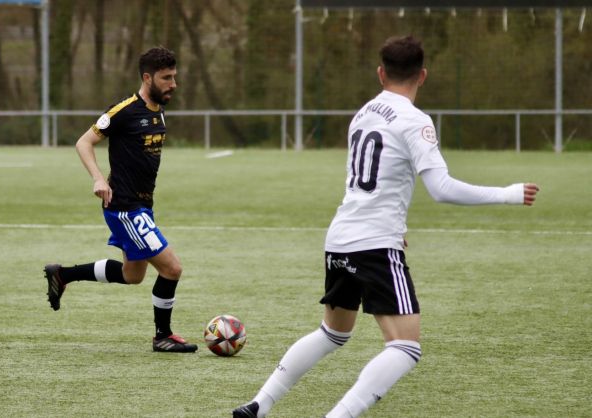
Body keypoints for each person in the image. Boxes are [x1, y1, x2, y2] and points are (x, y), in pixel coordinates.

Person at [233, 35, 539, 417]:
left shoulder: (363, 113)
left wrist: (396, 224)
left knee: (332, 333)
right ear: (422, 75)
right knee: (405, 348)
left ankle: (259, 405)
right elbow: (441, 189)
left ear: (381, 73)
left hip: (341, 238)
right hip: (374, 244)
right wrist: (507, 194)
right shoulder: (415, 120)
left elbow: (374, 182)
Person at [43, 46, 198, 353]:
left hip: (142, 206)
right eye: (166, 78)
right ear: (147, 77)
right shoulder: (124, 110)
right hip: (125, 207)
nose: (173, 84)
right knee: (172, 269)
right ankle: (162, 336)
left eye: (174, 77)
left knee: (133, 275)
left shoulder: (158, 110)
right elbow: (84, 142)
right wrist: (98, 178)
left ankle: (63, 274)